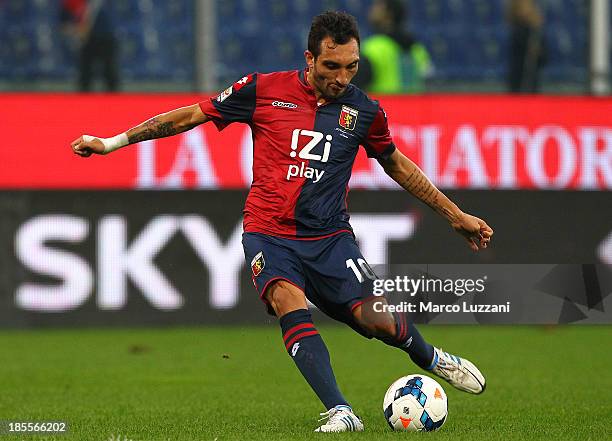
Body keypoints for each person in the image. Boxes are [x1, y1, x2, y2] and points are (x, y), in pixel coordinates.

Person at [71, 11, 492, 433]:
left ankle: (431, 358)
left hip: (330, 237)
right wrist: (111, 143)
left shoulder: (365, 111)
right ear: (309, 59)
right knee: (286, 299)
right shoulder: (263, 89)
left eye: (351, 67)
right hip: (268, 233)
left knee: (376, 320)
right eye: (331, 66)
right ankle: (341, 411)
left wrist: (455, 216)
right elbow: (189, 117)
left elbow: (396, 164)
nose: (342, 77)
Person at [354, 0, 433, 94]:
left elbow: (355, 86)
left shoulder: (374, 48)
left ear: (388, 15)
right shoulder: (418, 49)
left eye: (378, 7)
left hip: (385, 105)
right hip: (414, 106)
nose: (372, 11)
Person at [61, 0, 120, 91]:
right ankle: (84, 103)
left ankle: (114, 103)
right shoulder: (70, 2)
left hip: (106, 38)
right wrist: (76, 30)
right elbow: (63, 24)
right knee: (85, 76)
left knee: (110, 74)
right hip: (85, 41)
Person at [507, 0, 546, 93]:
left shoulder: (535, 32)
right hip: (519, 79)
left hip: (532, 78)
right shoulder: (517, 30)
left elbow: (543, 58)